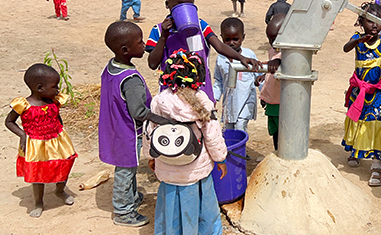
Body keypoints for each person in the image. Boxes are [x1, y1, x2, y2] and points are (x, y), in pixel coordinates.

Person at [143, 50, 228, 235]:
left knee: (171, 207)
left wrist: (150, 156)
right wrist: (221, 159)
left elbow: (150, 131)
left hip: (168, 166)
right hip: (196, 168)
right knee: (202, 206)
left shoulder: (159, 100)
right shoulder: (203, 101)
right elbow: (212, 134)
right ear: (198, 77)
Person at [99, 21, 170, 227]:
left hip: (113, 125)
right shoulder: (131, 79)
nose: (143, 45)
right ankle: (123, 212)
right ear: (125, 50)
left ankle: (130, 197)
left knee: (126, 168)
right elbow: (138, 112)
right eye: (140, 42)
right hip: (127, 131)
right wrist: (163, 120)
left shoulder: (112, 67)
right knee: (126, 170)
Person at [146, 0, 259, 103]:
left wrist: (241, 57)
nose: (184, 9)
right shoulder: (158, 31)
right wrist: (164, 36)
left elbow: (219, 46)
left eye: (188, 5)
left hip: (201, 94)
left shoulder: (201, 26)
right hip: (171, 98)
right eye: (179, 5)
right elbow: (152, 64)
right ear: (167, 5)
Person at [5, 63, 77, 218]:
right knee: (38, 174)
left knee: (64, 164)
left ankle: (60, 190)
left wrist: (61, 133)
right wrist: (23, 135)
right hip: (36, 144)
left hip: (57, 140)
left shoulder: (54, 101)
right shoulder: (24, 105)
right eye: (54, 87)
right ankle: (38, 202)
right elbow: (9, 122)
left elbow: (57, 117)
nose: (58, 90)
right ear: (39, 88)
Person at [342, 2, 381, 187]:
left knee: (375, 124)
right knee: (357, 120)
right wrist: (359, 40)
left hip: (375, 94)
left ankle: (376, 166)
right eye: (370, 21)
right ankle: (356, 151)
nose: (374, 25)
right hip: (358, 91)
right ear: (361, 22)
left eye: (378, 21)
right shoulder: (357, 40)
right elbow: (346, 47)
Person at [212, 17, 262, 132]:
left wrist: (263, 94)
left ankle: (240, 150)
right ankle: (231, 150)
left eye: (235, 39)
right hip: (229, 102)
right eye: (227, 40)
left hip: (246, 100)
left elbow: (259, 76)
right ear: (221, 38)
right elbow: (219, 81)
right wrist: (214, 98)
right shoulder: (221, 59)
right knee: (228, 129)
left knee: (240, 126)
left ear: (243, 37)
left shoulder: (249, 54)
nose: (231, 43)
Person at [257, 13, 285, 150]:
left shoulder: (288, 53)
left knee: (283, 132)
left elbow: (285, 61)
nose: (272, 43)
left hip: (282, 102)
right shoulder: (272, 51)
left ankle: (283, 155)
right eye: (269, 39)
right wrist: (264, 96)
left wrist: (278, 61)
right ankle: (276, 153)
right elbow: (270, 77)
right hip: (271, 100)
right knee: (274, 131)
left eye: (275, 39)